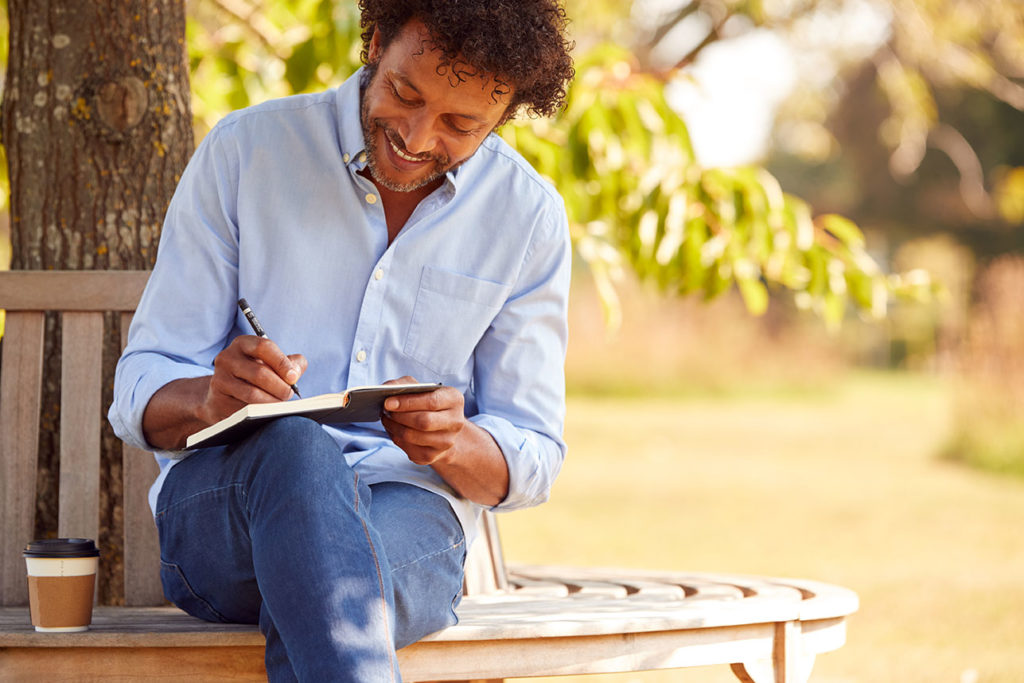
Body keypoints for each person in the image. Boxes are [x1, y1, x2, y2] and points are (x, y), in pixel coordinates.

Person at [108, 0, 575, 680]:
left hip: (409, 516)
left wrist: (453, 439)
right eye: (404, 94)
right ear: (375, 43)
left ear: (503, 118)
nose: (417, 137)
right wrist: (212, 397)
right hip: (226, 514)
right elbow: (137, 392)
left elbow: (533, 452)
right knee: (296, 449)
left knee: (328, 586)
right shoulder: (248, 153)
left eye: (459, 124)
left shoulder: (526, 219)